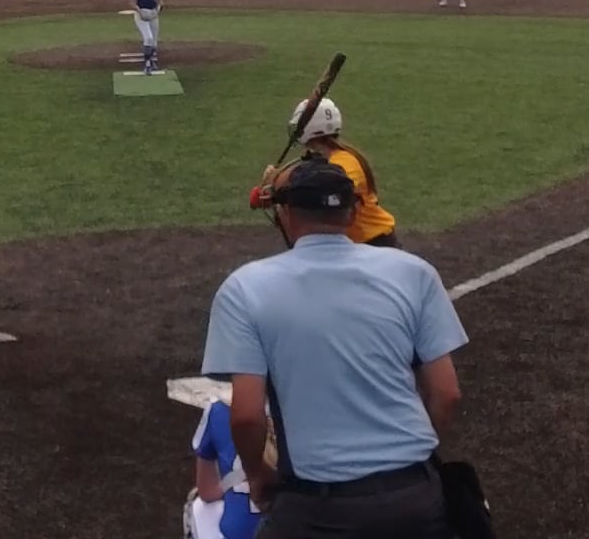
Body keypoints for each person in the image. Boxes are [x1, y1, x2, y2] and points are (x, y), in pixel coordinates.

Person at [202, 159, 468, 539]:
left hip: (317, 509)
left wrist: (258, 473)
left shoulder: (244, 288)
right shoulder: (415, 272)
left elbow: (246, 417)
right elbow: (447, 393)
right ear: (353, 212)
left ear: (286, 214)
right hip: (416, 499)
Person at [257, 97, 398, 247]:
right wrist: (272, 184)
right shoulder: (319, 160)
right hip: (351, 244)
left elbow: (327, 190)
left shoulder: (344, 162)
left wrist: (276, 186)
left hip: (374, 244)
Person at [184, 396, 257, 539]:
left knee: (200, 508)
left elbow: (207, 492)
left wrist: (231, 484)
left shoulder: (218, 409)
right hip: (292, 525)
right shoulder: (298, 417)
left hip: (236, 532)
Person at [131, 0, 163, 73]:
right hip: (141, 14)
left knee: (154, 42)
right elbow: (132, 1)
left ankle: (151, 60)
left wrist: (157, 10)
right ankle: (147, 64)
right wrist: (139, 11)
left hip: (153, 13)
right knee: (148, 38)